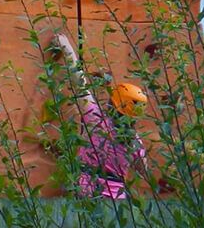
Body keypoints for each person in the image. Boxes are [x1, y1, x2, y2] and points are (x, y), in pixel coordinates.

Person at [50, 32, 148, 200]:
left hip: (88, 192)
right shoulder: (134, 141)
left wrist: (66, 47)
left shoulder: (95, 119)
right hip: (118, 200)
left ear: (112, 103)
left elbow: (79, 82)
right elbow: (143, 170)